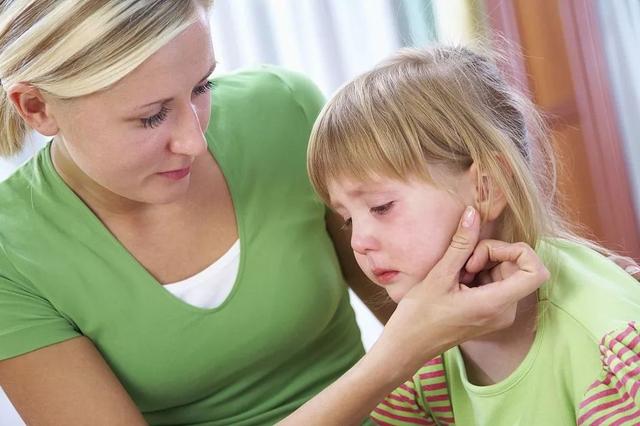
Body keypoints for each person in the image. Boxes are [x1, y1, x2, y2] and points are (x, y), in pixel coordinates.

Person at [0, 2, 608, 425]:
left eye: (202, 87)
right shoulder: (12, 251)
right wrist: (398, 353)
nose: (193, 137)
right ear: (36, 108)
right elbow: (415, 331)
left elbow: (426, 297)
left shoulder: (282, 111)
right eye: (151, 116)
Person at [306, 45, 640, 425]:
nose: (358, 242)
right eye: (347, 219)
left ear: (488, 186)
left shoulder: (609, 352)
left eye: (381, 207)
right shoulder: (423, 353)